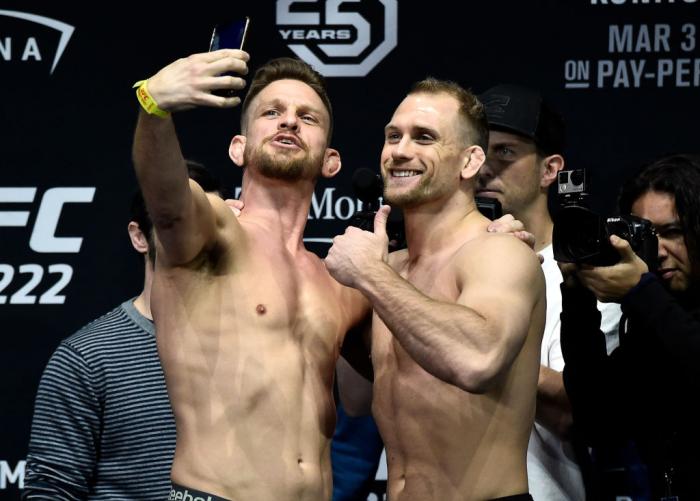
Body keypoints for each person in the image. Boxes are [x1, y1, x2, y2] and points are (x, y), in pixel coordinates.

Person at [131, 50, 370, 501]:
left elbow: (386, 388)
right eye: (272, 112)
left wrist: (484, 234)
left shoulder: (341, 282)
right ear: (238, 147)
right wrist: (154, 107)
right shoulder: (215, 230)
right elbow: (165, 202)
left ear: (330, 161)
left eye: (307, 118)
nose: (290, 122)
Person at [325, 78, 546, 500]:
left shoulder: (499, 252)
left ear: (470, 161)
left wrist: (370, 277)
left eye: (424, 138)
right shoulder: (392, 269)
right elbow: (354, 400)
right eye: (394, 136)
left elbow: (477, 359)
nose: (400, 151)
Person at [22, 161, 221, 500]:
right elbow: (51, 492)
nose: (197, 236)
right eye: (175, 222)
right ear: (139, 236)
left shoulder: (256, 345)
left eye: (212, 223)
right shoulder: (86, 359)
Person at [476, 84, 621, 500]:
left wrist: (469, 341)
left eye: (506, 152)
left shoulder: (587, 273)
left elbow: (573, 411)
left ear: (550, 170)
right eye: (478, 152)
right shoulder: (439, 265)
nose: (486, 168)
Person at [559, 154, 700, 500]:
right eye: (645, 236)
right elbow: (598, 422)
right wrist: (578, 299)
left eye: (672, 232)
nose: (659, 251)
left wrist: (642, 292)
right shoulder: (649, 324)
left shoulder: (654, 307)